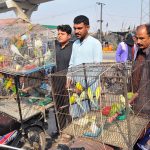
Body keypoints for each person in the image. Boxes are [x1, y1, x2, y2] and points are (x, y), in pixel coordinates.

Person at [51, 25, 73, 130]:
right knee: (58, 106)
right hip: (55, 82)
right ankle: (60, 129)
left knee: (67, 106)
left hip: (67, 82)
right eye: (58, 34)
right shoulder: (55, 47)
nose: (59, 36)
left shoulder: (73, 47)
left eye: (62, 34)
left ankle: (69, 130)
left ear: (69, 36)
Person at [133, 24, 150, 150]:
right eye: (137, 38)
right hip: (137, 105)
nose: (138, 42)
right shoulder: (139, 52)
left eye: (142, 38)